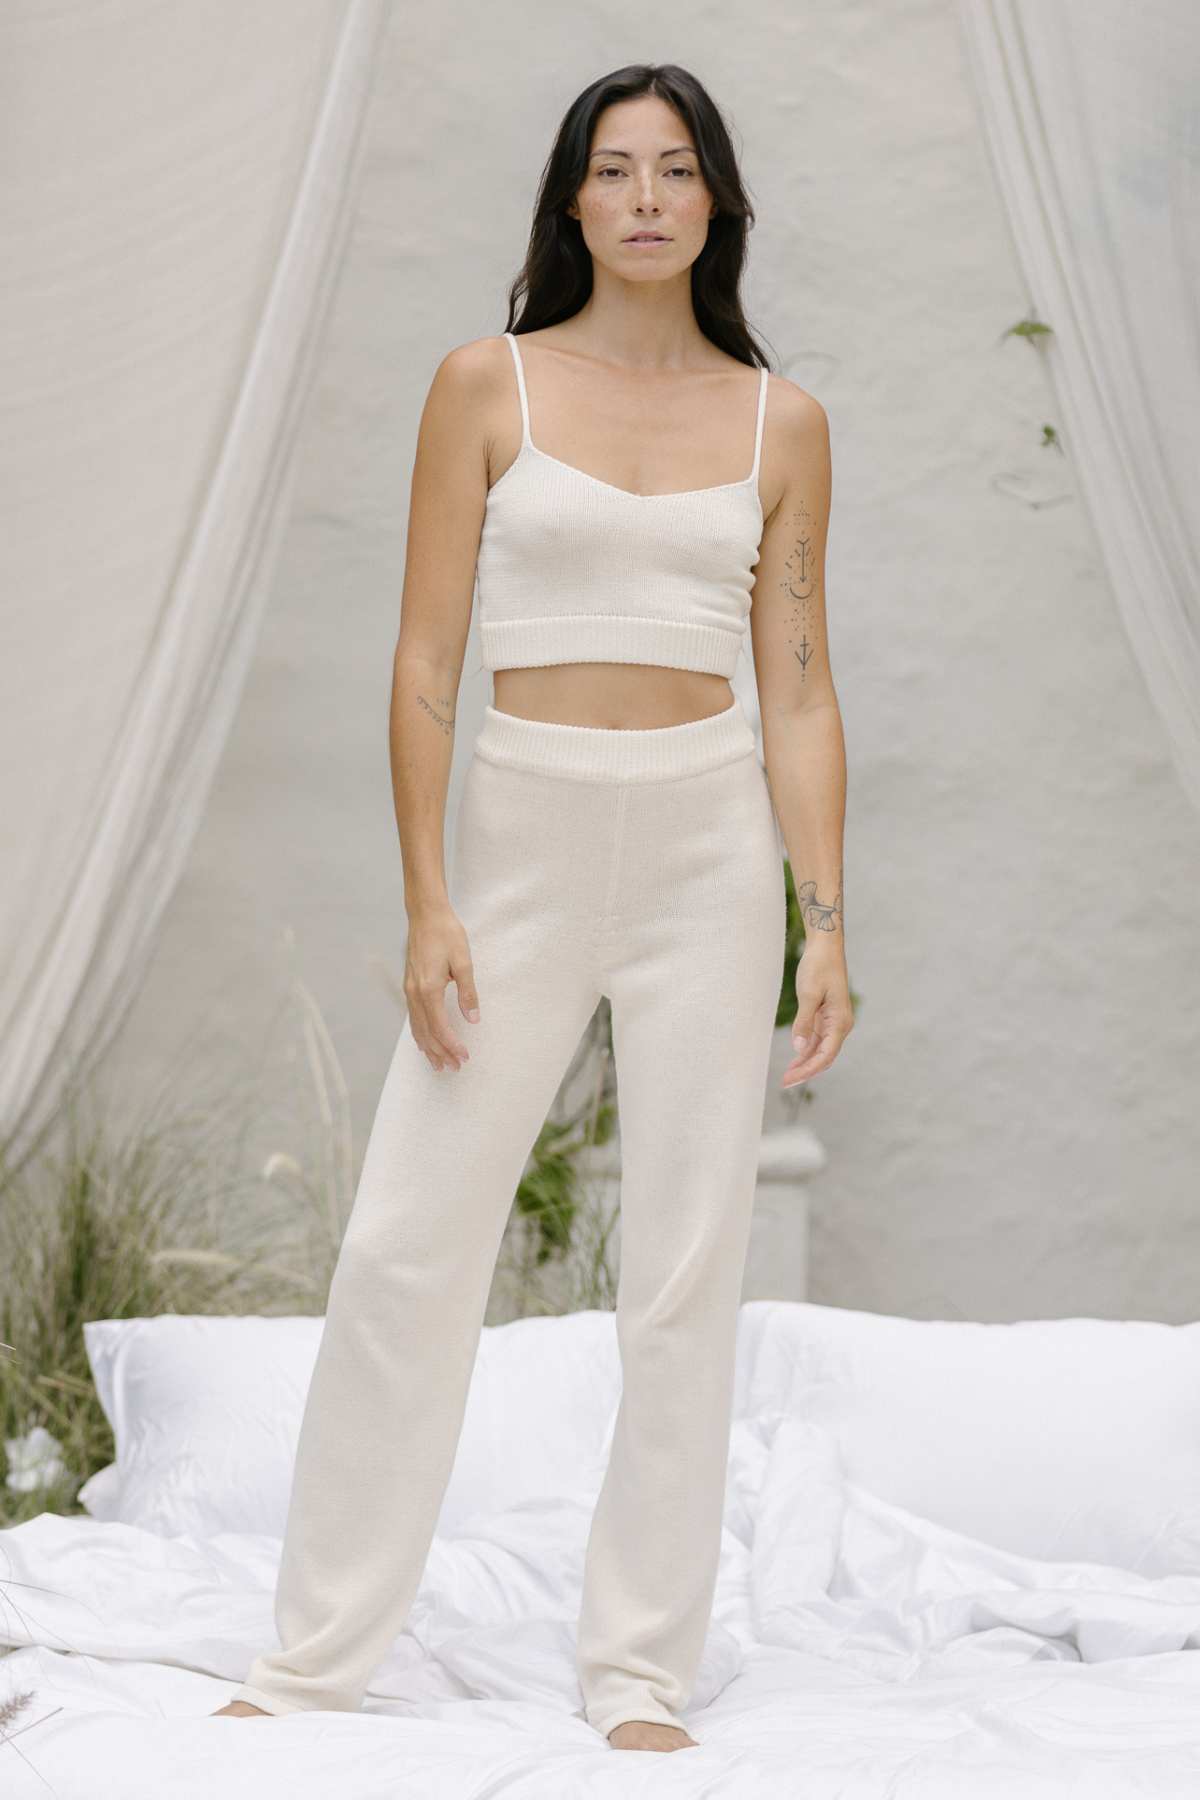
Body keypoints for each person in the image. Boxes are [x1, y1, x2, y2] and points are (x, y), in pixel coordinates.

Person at [215, 61, 852, 1752]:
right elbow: (425, 663)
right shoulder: (480, 386)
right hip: (520, 838)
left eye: (677, 169)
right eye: (613, 168)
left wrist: (828, 920)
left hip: (712, 848)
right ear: (571, 201)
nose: (646, 196)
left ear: (716, 202)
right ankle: (313, 1657)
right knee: (410, 1245)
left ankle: (639, 1671)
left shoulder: (782, 421)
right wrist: (431, 897)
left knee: (685, 1263)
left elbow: (797, 685)